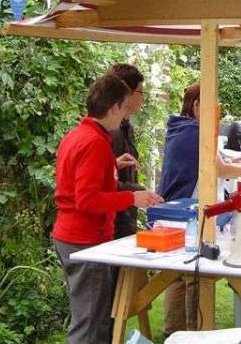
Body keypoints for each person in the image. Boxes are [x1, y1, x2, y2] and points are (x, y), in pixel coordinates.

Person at [52, 75, 163, 344]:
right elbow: (87, 200)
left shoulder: (79, 134)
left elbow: (78, 177)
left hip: (71, 236)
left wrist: (112, 165)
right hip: (84, 239)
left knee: (92, 318)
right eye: (125, 108)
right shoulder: (95, 142)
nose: (125, 115)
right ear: (113, 107)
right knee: (90, 324)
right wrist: (131, 199)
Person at [159, 83, 241, 335]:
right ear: (197, 105)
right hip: (184, 212)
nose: (217, 113)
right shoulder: (192, 132)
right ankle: (186, 332)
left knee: (179, 276)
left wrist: (229, 161)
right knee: (186, 276)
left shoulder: (185, 128)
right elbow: (215, 168)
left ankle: (177, 331)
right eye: (213, 107)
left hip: (181, 209)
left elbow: (211, 161)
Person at [107, 63, 147, 238]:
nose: (143, 98)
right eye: (140, 92)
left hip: (124, 219)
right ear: (127, 93)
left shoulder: (125, 126)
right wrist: (136, 191)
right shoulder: (109, 131)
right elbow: (102, 183)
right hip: (110, 225)